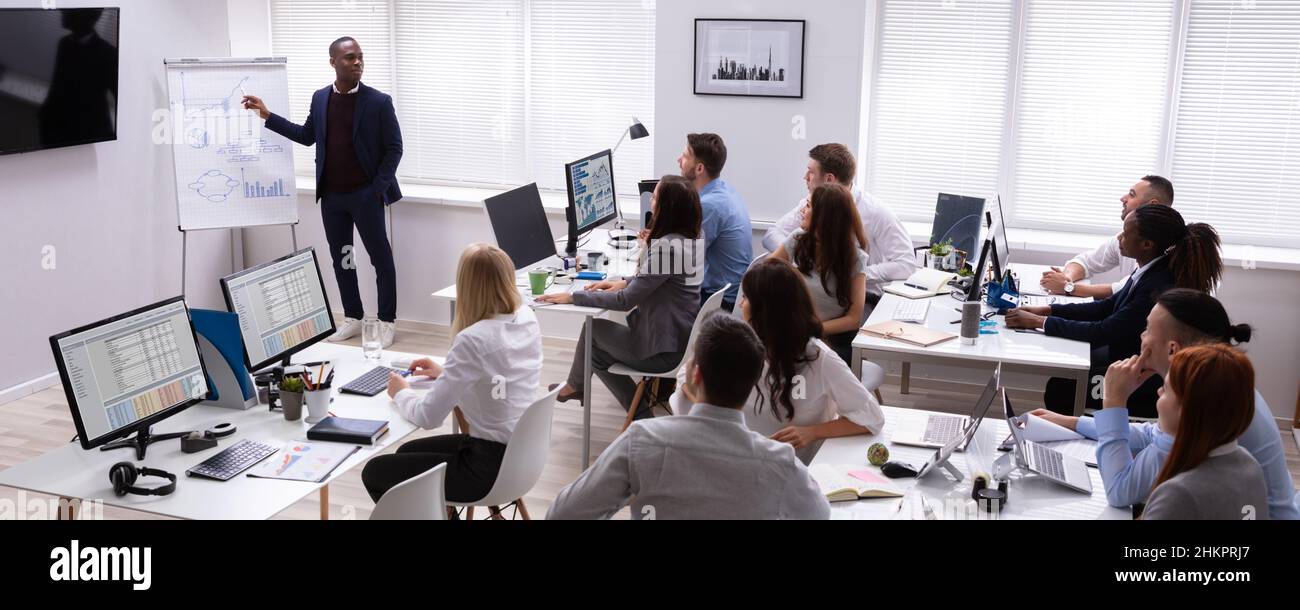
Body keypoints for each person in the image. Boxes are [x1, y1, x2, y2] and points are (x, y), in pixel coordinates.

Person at [1030, 289, 1298, 518]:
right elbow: (1153, 435)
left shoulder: (1200, 401)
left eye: (1147, 329)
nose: (1141, 336)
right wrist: (1074, 423)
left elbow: (1120, 490)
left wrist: (1113, 402)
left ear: (1172, 349)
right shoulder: (1217, 381)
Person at [547, 313, 831, 520]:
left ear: (695, 374)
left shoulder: (640, 441)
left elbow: (562, 514)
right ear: (754, 382)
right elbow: (820, 515)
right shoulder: (780, 462)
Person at [243, 36, 403, 347]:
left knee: (380, 259)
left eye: (360, 57)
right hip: (332, 199)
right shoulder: (320, 99)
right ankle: (353, 317)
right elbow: (306, 136)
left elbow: (394, 149)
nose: (357, 62)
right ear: (333, 62)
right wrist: (267, 115)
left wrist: (376, 190)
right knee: (344, 259)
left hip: (365, 196)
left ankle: (387, 321)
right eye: (349, 58)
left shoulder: (378, 102)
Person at [360, 244, 541, 508]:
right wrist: (448, 374)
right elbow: (500, 374)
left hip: (485, 470)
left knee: (376, 472)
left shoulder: (473, 339)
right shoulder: (526, 317)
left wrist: (401, 392)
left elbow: (428, 417)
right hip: (523, 457)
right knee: (406, 454)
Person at [1005, 204, 1222, 416]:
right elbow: (1105, 307)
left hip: (1143, 385)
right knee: (1067, 368)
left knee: (1062, 387)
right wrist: (1048, 310)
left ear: (1146, 244)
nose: (1119, 238)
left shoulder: (1158, 286)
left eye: (1126, 233)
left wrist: (1037, 323)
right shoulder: (1149, 270)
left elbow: (1102, 332)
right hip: (1124, 356)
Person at [671, 258, 885, 463]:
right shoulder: (738, 344)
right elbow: (685, 382)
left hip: (798, 466)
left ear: (764, 309)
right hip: (745, 463)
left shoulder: (818, 358)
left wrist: (812, 432)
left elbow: (872, 418)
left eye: (746, 298)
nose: (741, 304)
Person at [543, 176, 702, 419]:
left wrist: (574, 297)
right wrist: (623, 282)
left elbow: (625, 301)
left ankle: (577, 387)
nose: (651, 200)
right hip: (680, 339)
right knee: (594, 353)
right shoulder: (691, 239)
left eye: (656, 196)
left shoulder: (667, 248)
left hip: (663, 350)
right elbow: (659, 282)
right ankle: (636, 415)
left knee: (592, 330)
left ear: (667, 208)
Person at [763, 143, 917, 307]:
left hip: (859, 297)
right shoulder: (810, 205)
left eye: (811, 172)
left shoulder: (877, 213)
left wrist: (856, 274)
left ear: (829, 179)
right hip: (815, 292)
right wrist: (800, 256)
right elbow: (772, 234)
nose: (805, 177)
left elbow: (906, 264)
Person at [1141, 345, 1269, 520]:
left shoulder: (1180, 494)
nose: (1158, 392)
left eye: (1165, 390)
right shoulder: (1250, 465)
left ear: (1188, 410)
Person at [770, 183, 869, 364]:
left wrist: (810, 330)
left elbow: (853, 319)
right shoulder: (798, 238)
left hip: (834, 340)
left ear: (823, 217)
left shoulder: (856, 259)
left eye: (808, 206)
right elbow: (766, 271)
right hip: (797, 333)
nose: (802, 210)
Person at [1039, 176, 1174, 299]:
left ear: (1153, 205)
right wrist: (1066, 278)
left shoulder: (1163, 251)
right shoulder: (1127, 236)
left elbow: (1120, 290)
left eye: (1132, 195)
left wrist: (1067, 288)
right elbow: (1086, 261)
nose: (1123, 198)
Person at [677, 133, 752, 311]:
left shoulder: (709, 205)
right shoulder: (724, 190)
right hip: (731, 291)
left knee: (655, 297)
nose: (679, 159)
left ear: (699, 168)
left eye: (685, 156)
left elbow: (684, 260)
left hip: (720, 300)